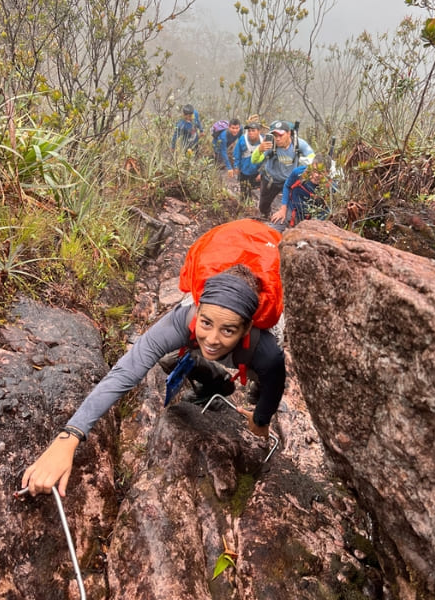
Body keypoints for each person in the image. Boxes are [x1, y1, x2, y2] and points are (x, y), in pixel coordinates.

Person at [21, 264, 285, 497]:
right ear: (197, 307)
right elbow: (126, 371)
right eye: (206, 323)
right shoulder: (180, 321)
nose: (214, 338)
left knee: (260, 384)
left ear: (247, 327)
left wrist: (261, 418)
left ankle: (241, 390)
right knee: (170, 358)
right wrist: (69, 437)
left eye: (227, 330)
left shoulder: (267, 353)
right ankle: (217, 384)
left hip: (249, 360)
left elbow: (275, 383)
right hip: (202, 344)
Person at [251, 120, 315, 219]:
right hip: (270, 181)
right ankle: (266, 216)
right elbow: (255, 160)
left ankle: (290, 221)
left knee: (294, 204)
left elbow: (312, 157)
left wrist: (305, 164)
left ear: (289, 133)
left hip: (289, 181)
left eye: (281, 135)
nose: (278, 139)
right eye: (275, 136)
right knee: (263, 206)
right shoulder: (270, 144)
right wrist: (259, 150)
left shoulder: (298, 144)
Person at [271, 153, 333, 229]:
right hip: (292, 210)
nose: (316, 175)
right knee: (276, 225)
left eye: (321, 172)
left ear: (328, 172)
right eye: (315, 170)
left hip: (312, 218)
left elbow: (326, 210)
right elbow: (287, 186)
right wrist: (283, 209)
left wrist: (314, 224)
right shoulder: (298, 173)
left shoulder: (330, 187)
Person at [233, 122, 263, 203]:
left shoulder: (264, 141)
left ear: (259, 131)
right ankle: (245, 207)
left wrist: (262, 173)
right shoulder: (242, 139)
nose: (251, 133)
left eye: (253, 130)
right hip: (244, 172)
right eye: (249, 131)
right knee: (244, 193)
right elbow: (237, 154)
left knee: (257, 193)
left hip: (257, 173)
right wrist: (236, 166)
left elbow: (268, 159)